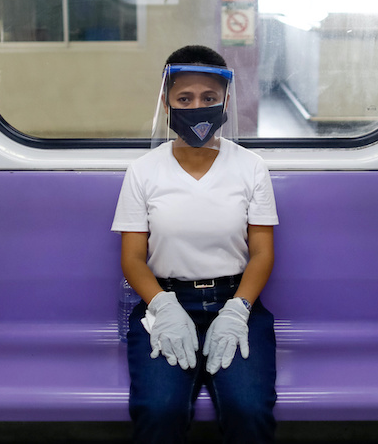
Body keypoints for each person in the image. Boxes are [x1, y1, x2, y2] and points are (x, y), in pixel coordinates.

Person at [111, 45, 279, 444]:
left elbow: (262, 253)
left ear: (225, 103)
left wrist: (238, 310)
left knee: (249, 410)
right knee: (159, 410)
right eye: (184, 98)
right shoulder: (143, 171)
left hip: (238, 301)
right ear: (167, 104)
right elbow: (133, 259)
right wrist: (163, 307)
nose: (196, 107)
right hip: (165, 302)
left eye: (208, 98)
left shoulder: (251, 168)